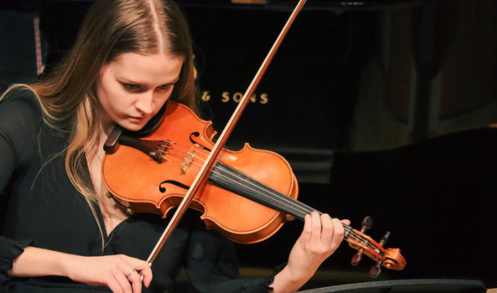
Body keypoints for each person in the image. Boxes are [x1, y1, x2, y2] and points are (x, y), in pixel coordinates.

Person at [0, 0, 349, 292]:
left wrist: (294, 273)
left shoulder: (190, 160)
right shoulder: (24, 121)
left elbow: (215, 285)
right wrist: (74, 266)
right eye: (132, 86)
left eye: (164, 87)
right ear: (93, 64)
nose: (148, 106)